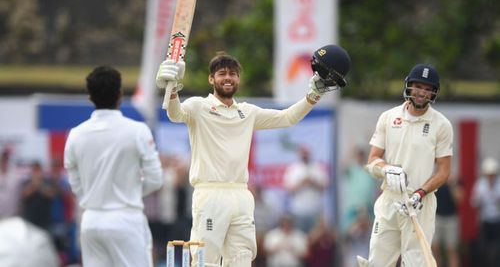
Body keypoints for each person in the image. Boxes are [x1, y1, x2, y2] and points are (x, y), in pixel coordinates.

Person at [155, 45, 351, 266]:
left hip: (241, 195)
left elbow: (287, 118)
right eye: (222, 74)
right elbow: (174, 113)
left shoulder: (247, 112)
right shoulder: (199, 107)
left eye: (232, 74)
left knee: (242, 258)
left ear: (238, 79)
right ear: (211, 79)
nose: (228, 78)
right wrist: (170, 88)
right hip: (210, 193)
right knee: (205, 258)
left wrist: (313, 95)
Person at [64, 66, 163, 267]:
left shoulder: (75, 134)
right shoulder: (137, 131)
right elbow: (155, 180)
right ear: (120, 94)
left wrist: (93, 196)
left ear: (90, 96)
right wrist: (131, 192)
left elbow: (74, 181)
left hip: (91, 220)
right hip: (126, 219)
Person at [358, 63, 453, 267]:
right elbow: (372, 160)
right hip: (389, 201)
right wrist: (388, 169)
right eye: (418, 87)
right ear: (408, 86)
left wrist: (420, 192)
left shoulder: (441, 125)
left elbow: (444, 171)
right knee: (377, 264)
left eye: (428, 89)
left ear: (434, 93)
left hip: (420, 204)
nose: (422, 93)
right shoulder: (388, 117)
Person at [283, 145, 328, 233]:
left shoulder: (317, 168)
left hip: (315, 210)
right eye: (303, 153)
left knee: (315, 238)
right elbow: (288, 190)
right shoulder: (293, 169)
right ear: (299, 154)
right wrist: (302, 183)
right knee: (300, 239)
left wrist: (313, 182)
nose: (305, 155)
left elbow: (325, 187)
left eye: (306, 153)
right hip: (298, 211)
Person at [470, 157, 500, 267]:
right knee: (484, 247)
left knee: (497, 247)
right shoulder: (480, 184)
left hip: (497, 220)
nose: (491, 177)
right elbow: (473, 202)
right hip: (485, 220)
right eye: (489, 174)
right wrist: (479, 200)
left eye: (492, 174)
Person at [431, 175, 463, 267]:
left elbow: (459, 199)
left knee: (451, 249)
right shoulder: (436, 178)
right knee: (435, 248)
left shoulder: (456, 181)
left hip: (451, 218)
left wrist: (452, 184)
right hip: (437, 217)